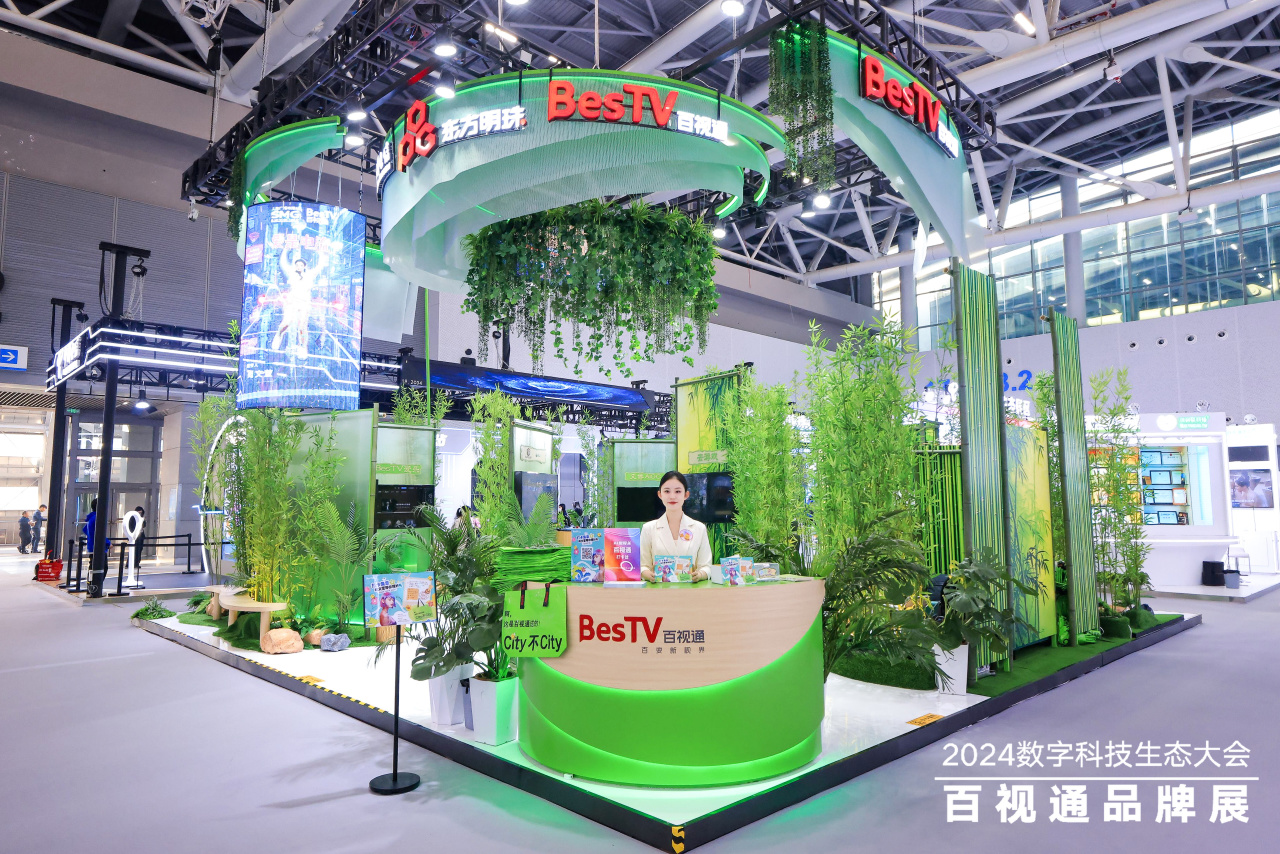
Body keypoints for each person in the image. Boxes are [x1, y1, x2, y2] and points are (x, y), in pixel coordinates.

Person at [639, 471, 712, 583]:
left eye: (678, 491)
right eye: (667, 491)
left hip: (691, 590)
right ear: (660, 494)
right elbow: (642, 566)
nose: (672, 496)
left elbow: (707, 567)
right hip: (659, 590)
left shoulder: (699, 528)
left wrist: (700, 574)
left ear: (686, 495)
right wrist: (648, 574)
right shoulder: (648, 528)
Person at [131, 506, 146, 570]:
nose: (140, 514)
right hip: (135, 535)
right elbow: (131, 526)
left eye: (141, 513)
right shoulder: (133, 518)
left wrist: (143, 520)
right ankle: (131, 563)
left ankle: (137, 563)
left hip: (141, 535)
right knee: (134, 550)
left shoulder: (142, 518)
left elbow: (144, 525)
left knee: (139, 549)